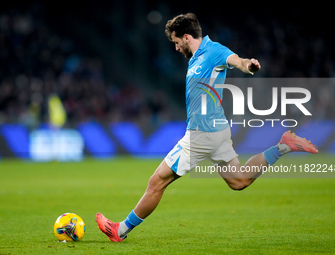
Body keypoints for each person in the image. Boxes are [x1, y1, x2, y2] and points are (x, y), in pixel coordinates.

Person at [96, 13, 318, 242]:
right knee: (239, 180)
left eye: (176, 42)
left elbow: (238, 62)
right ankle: (283, 147)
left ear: (186, 37)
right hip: (217, 131)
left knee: (157, 182)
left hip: (201, 135)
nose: (175, 48)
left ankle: (119, 230)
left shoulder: (214, 51)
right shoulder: (196, 58)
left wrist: (249, 66)